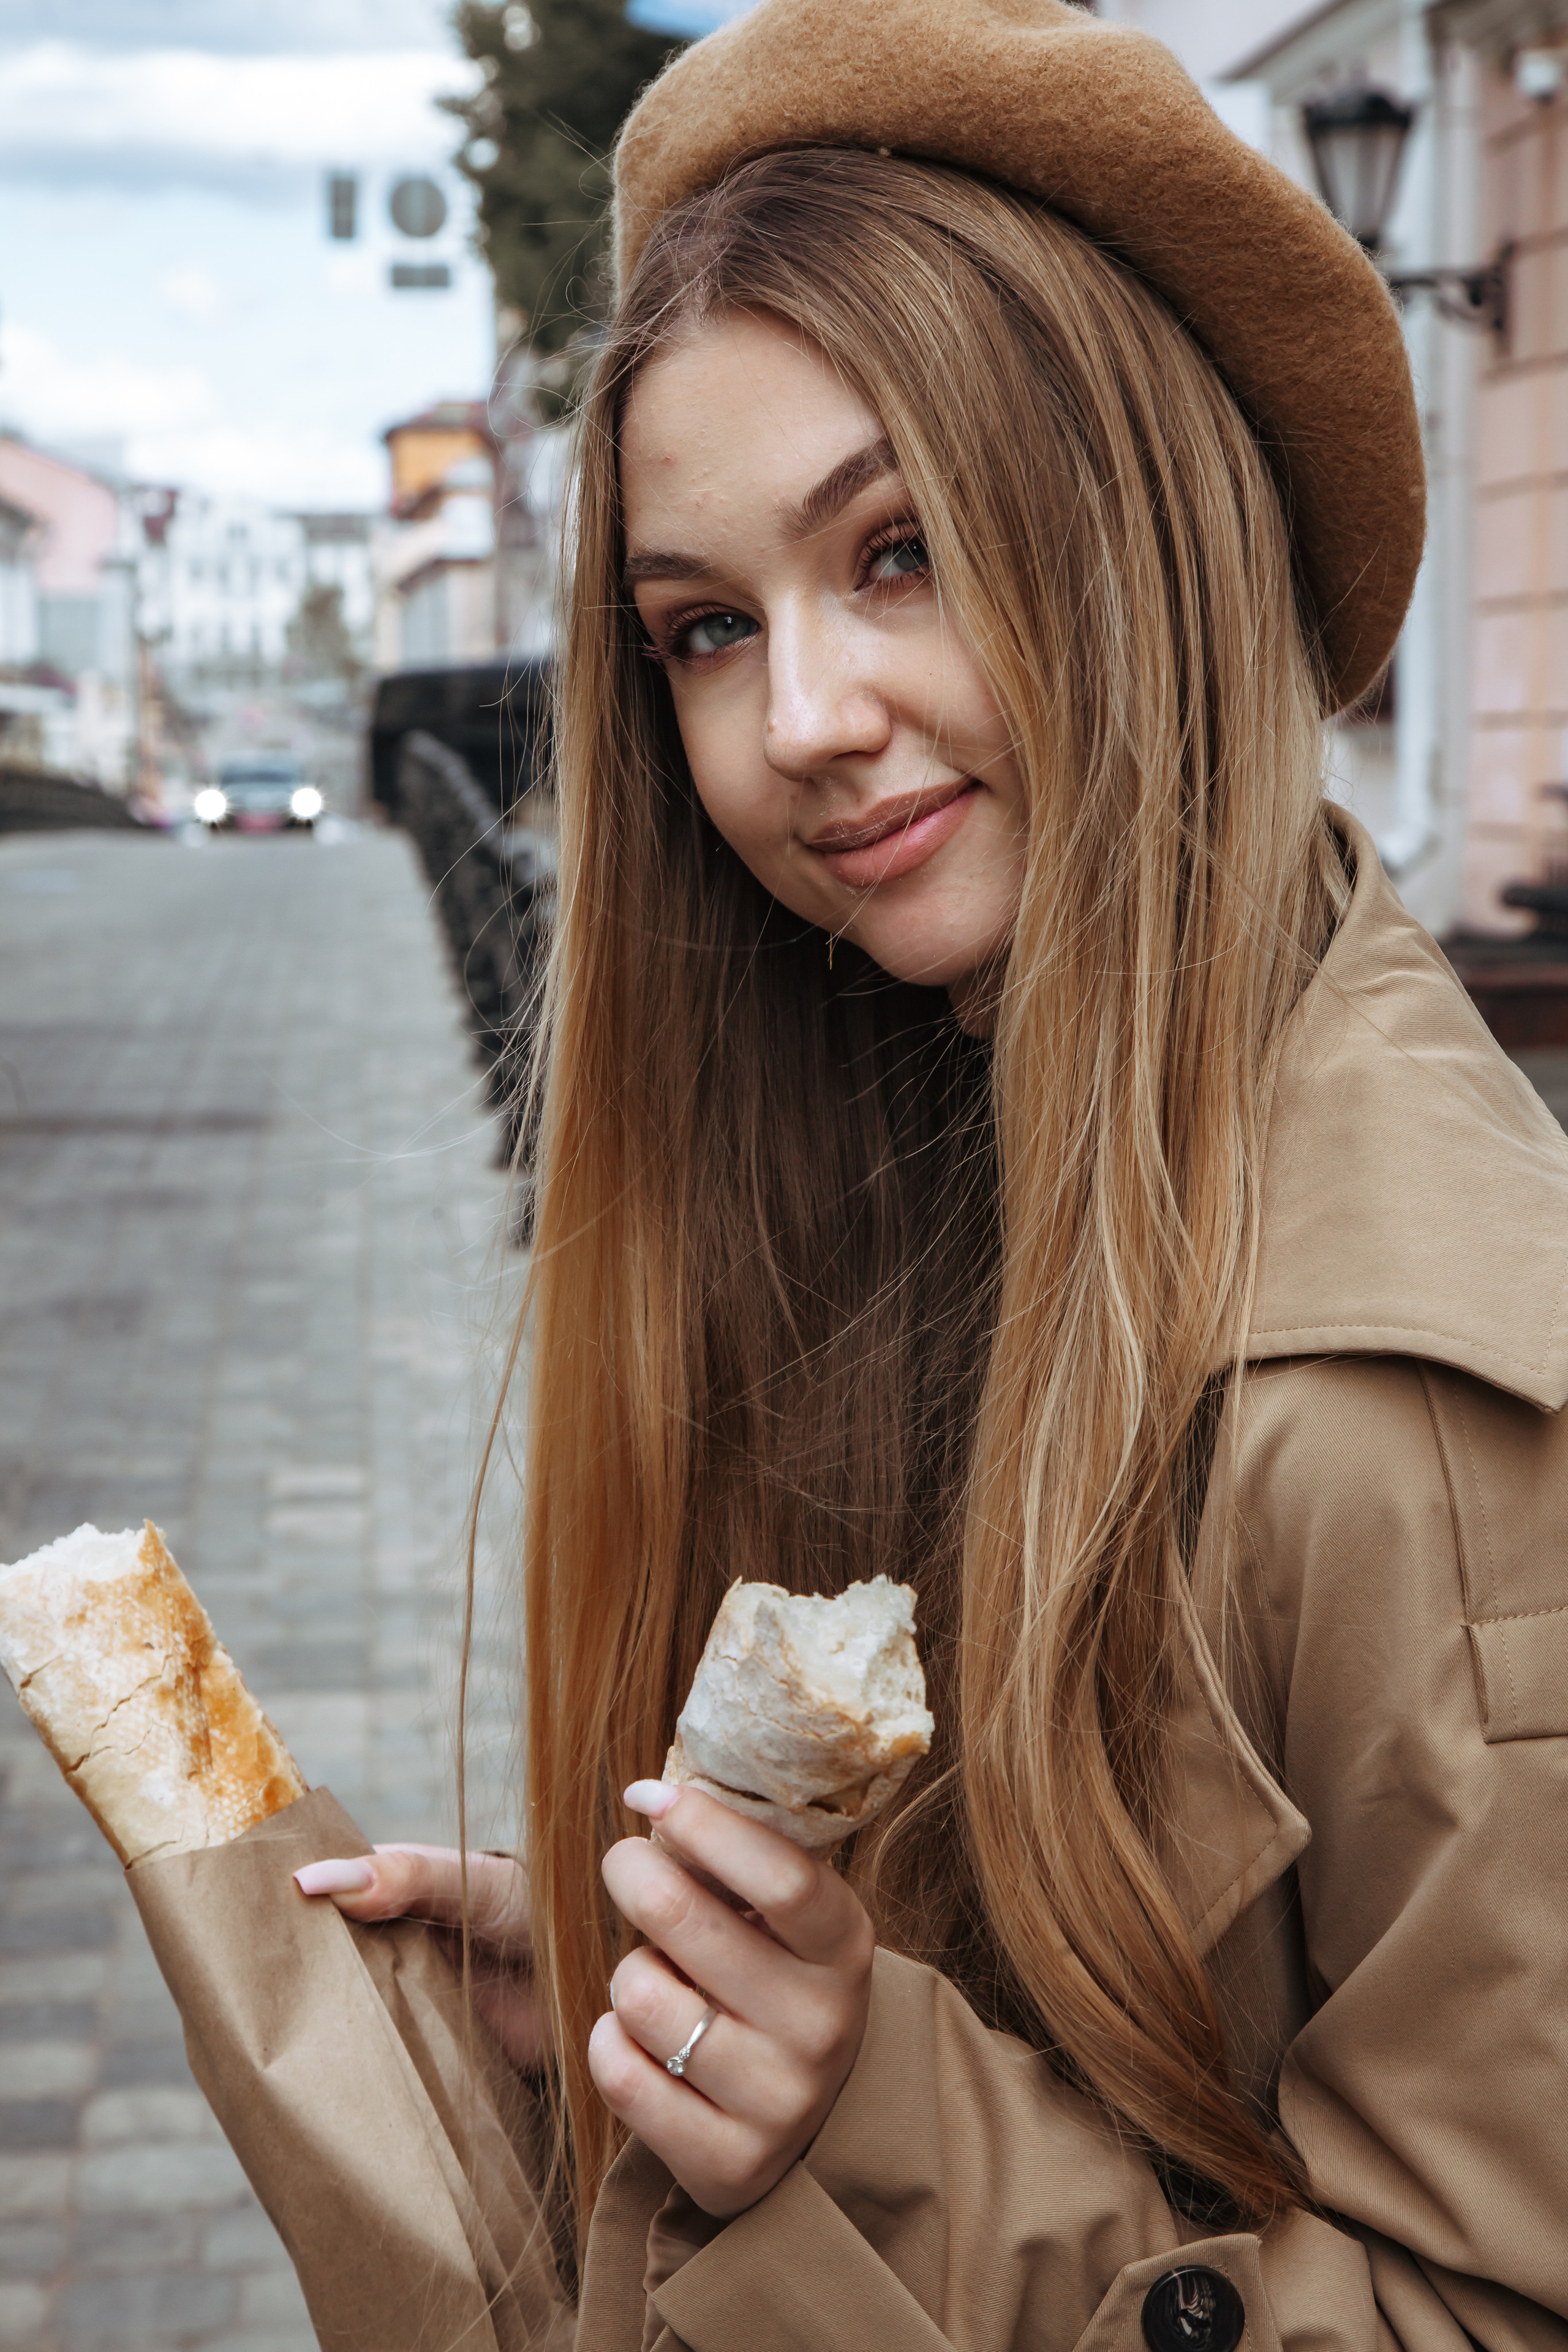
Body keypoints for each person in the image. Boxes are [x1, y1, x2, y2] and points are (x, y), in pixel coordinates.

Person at [296, 4, 1568, 2346]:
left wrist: (862, 2112)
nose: (795, 724)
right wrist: (664, 2006)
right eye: (705, 626)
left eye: (899, 550)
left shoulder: (1415, 1412)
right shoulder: (928, 1141)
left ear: (1149, 525)